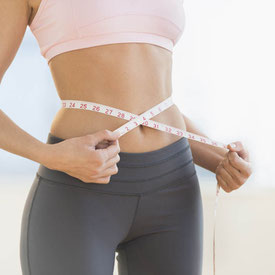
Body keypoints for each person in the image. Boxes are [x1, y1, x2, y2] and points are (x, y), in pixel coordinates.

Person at [0, 0, 252, 274]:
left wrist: (218, 159)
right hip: (80, 190)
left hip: (174, 188)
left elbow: (151, 104)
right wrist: (50, 156)